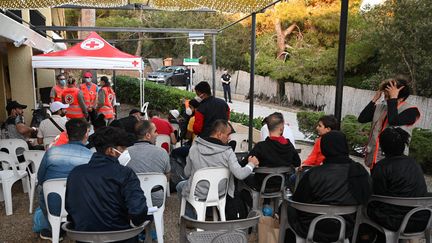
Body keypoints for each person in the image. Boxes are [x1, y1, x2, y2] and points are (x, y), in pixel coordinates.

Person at [65, 126, 149, 241]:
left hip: (84, 238)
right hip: (121, 237)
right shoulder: (125, 173)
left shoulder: (75, 173)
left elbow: (70, 209)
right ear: (110, 150)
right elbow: (138, 211)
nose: (125, 152)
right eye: (123, 149)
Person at [287, 131, 371, 242]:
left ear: (324, 149)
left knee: (288, 207)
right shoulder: (359, 172)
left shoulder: (313, 174)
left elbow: (298, 201)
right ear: (345, 147)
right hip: (346, 228)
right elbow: (367, 196)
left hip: (310, 228)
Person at [176, 120, 259, 218]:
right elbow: (240, 175)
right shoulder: (228, 153)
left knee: (180, 186)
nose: (229, 138)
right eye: (228, 135)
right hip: (219, 193)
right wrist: (251, 164)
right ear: (219, 134)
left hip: (197, 193)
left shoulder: (195, 148)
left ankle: (190, 217)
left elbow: (186, 173)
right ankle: (210, 212)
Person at [37, 119, 92, 240]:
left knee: (41, 189)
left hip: (54, 206)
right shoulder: (90, 156)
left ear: (67, 134)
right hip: (81, 206)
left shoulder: (52, 152)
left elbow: (40, 179)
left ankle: (53, 230)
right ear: (86, 134)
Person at [367, 127, 429, 233]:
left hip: (396, 221)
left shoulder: (382, 167)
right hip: (422, 218)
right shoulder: (414, 163)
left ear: (382, 146)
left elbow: (376, 195)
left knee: (366, 206)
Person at [358, 77, 420, 168]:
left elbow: (393, 120)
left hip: (395, 163)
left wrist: (393, 98)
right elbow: (362, 119)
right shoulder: (381, 107)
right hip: (374, 159)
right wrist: (374, 100)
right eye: (385, 96)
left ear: (401, 98)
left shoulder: (411, 111)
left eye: (388, 96)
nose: (386, 99)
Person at [243, 112, 300, 191]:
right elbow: (297, 163)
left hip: (261, 185)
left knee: (243, 176)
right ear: (281, 128)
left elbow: (243, 165)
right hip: (282, 185)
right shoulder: (289, 146)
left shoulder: (261, 147)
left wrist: (250, 163)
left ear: (268, 127)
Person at [127, 120, 170, 207]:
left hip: (133, 199)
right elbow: (167, 177)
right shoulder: (162, 152)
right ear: (148, 135)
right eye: (155, 131)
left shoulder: (126, 152)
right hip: (157, 200)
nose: (157, 134)